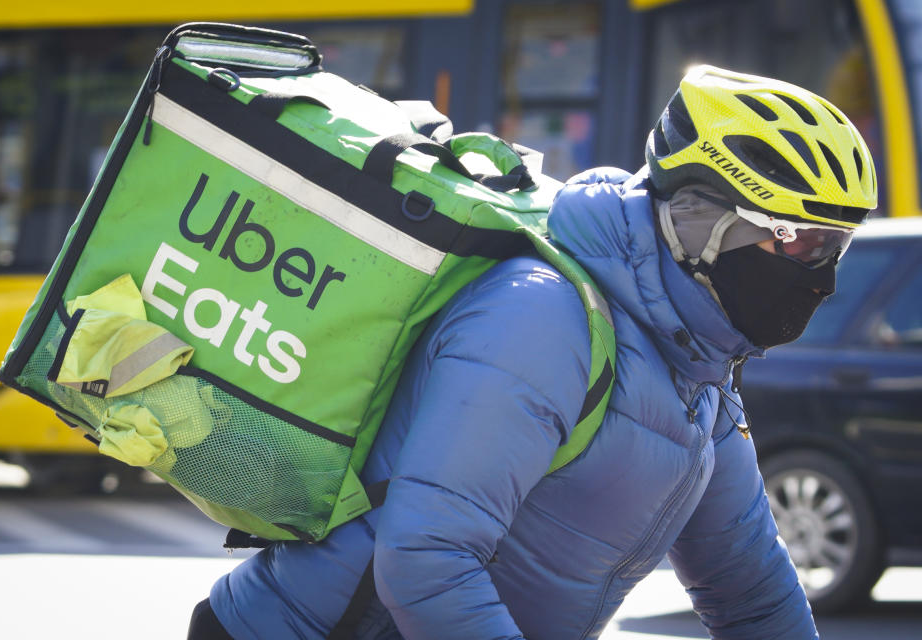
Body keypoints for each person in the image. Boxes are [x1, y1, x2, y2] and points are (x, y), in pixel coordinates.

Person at [187, 65, 877, 639]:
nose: (823, 274)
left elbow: (749, 587)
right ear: (702, 224)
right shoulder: (543, 318)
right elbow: (428, 560)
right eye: (800, 241)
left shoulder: (698, 367)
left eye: (837, 248)